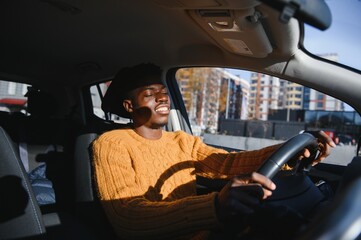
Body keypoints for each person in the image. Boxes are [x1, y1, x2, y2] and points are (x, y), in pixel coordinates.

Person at [92, 63, 335, 240]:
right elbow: (128, 218)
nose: (162, 98)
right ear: (129, 106)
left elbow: (226, 164)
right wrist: (215, 206)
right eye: (149, 95)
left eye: (163, 92)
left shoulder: (181, 141)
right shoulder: (111, 143)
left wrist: (288, 152)